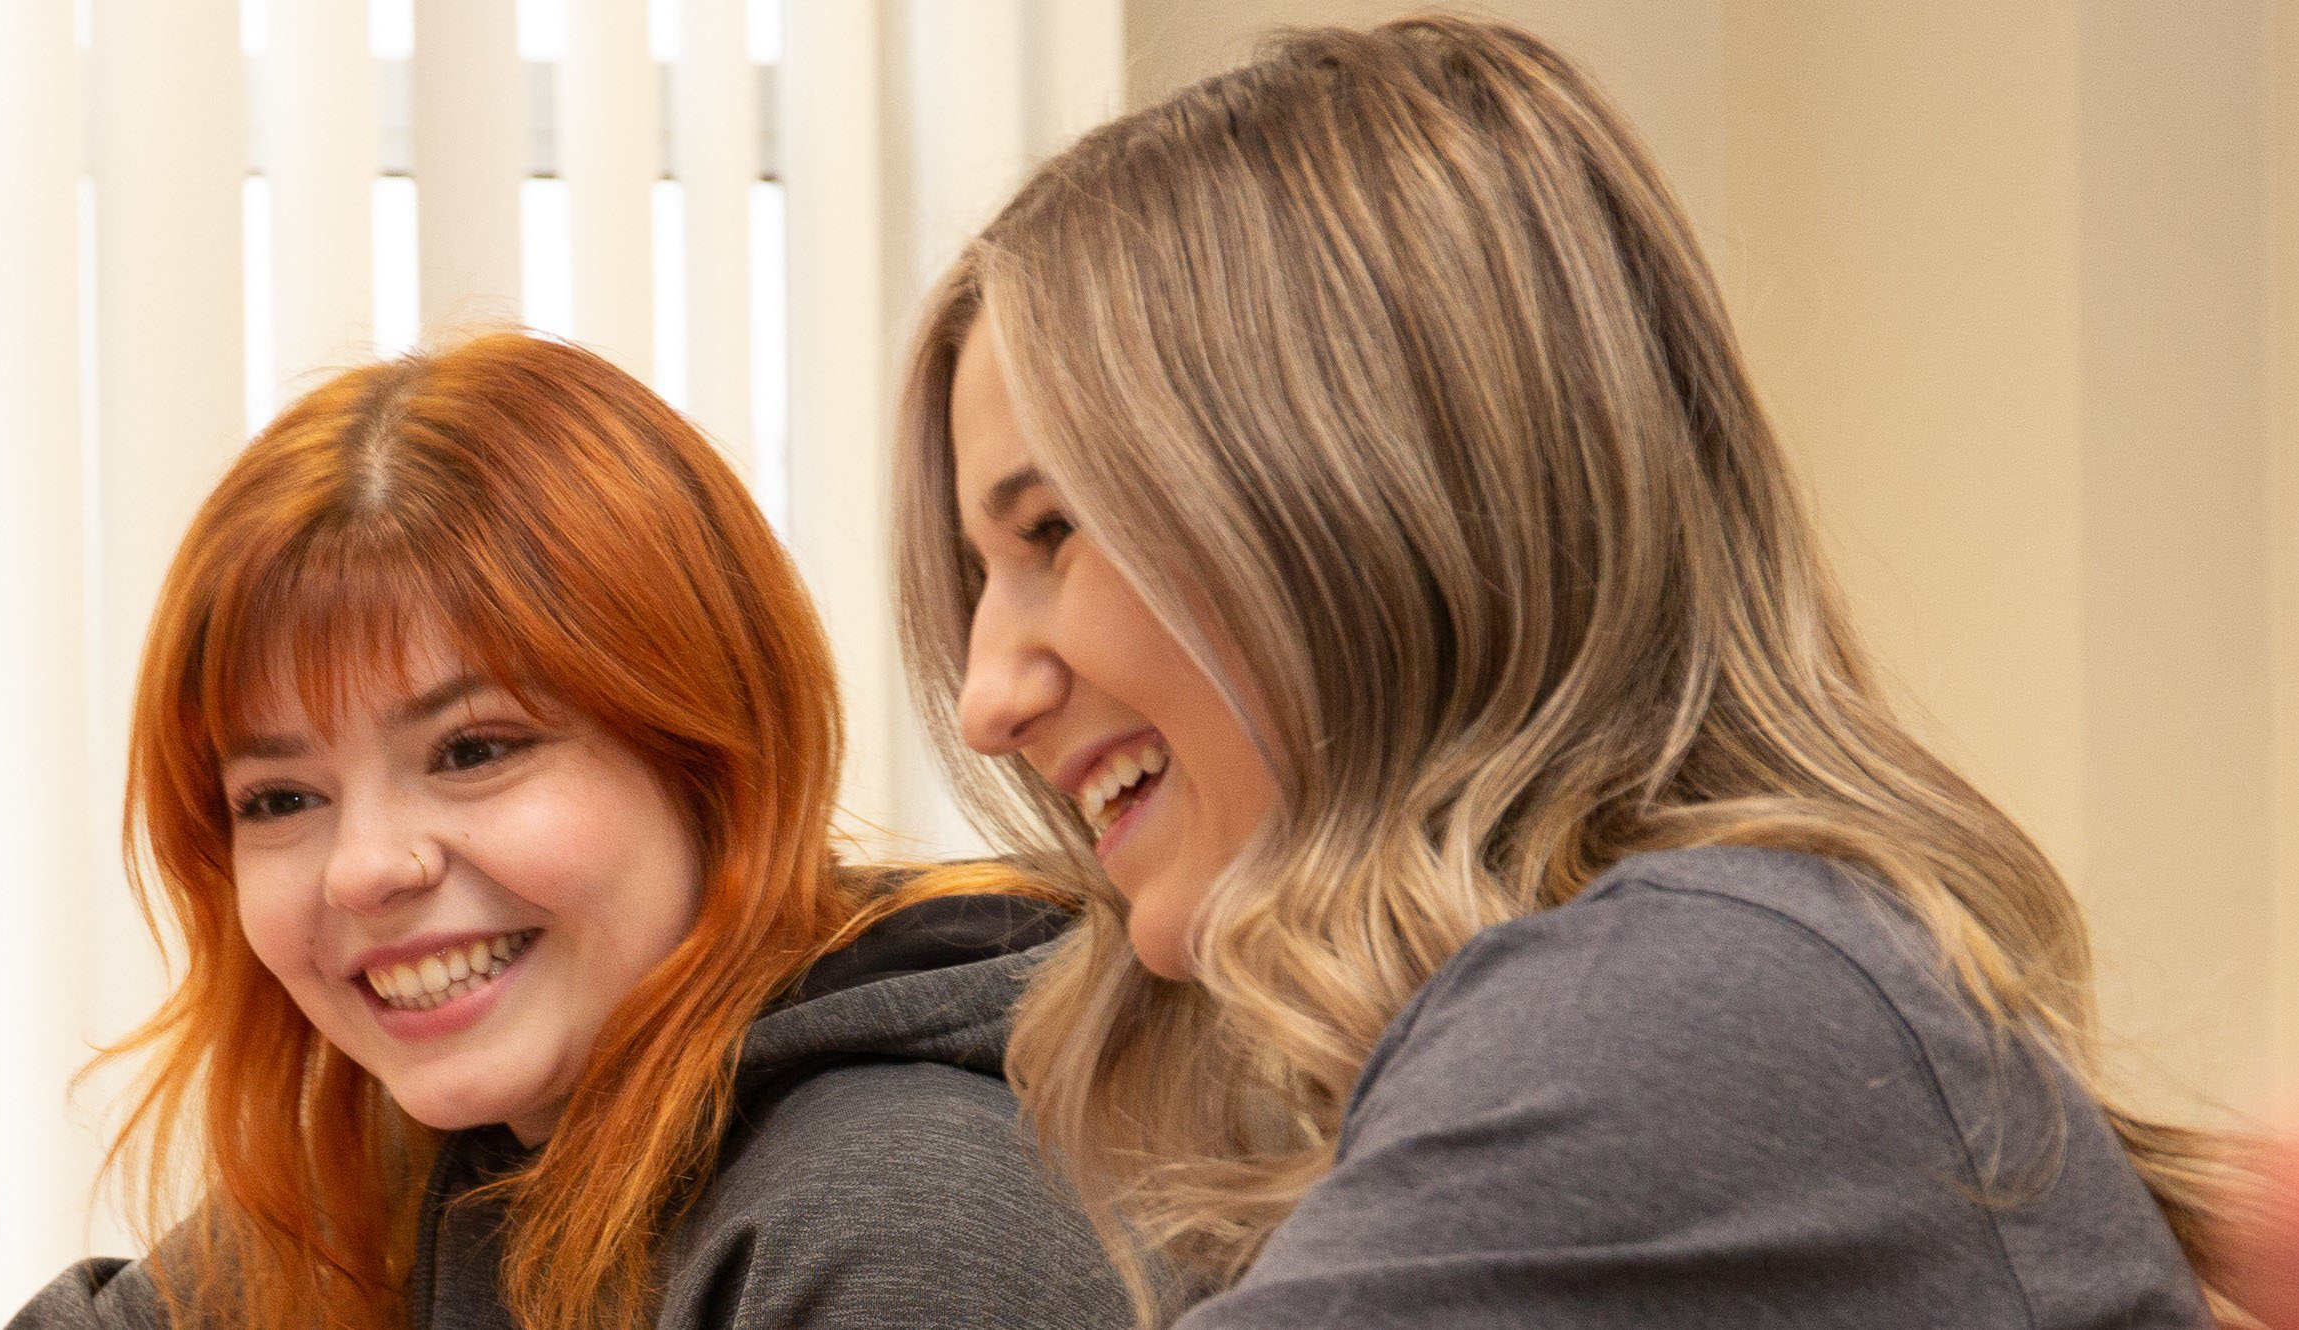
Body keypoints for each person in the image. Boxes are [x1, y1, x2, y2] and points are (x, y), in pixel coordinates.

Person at [900, 16, 2242, 1327]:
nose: (986, 699)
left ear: (1366, 501)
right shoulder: (1710, 974)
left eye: (1052, 531)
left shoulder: (1684, 1007)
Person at [7, 333, 1126, 1330]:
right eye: (280, 799)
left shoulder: (904, 1211)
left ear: (713, 753)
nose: (362, 869)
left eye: (473, 750)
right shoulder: (446, 1170)